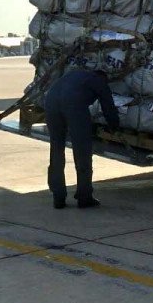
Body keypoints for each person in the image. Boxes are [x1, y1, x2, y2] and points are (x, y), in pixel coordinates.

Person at [44, 67, 120, 208]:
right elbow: (108, 107)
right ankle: (84, 197)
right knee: (82, 151)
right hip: (74, 106)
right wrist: (115, 127)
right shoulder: (100, 82)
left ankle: (58, 197)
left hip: (50, 103)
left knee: (56, 150)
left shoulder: (75, 73)